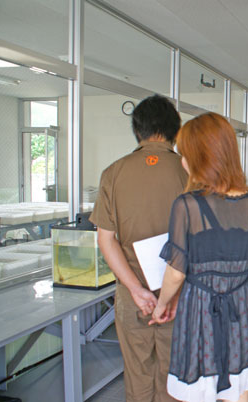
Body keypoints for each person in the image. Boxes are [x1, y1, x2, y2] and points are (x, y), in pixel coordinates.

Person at [150, 112, 248, 402]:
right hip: (240, 308)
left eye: (186, 155)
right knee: (238, 386)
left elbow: (176, 272)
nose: (183, 161)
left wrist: (162, 305)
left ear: (199, 159)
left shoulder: (186, 206)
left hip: (200, 309)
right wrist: (234, 269)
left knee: (196, 388)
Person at [90, 94, 188, 402]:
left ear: (137, 131)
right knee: (176, 376)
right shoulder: (191, 173)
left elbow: (106, 239)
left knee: (137, 375)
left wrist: (135, 289)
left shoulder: (113, 172)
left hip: (132, 297)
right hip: (181, 296)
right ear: (176, 131)